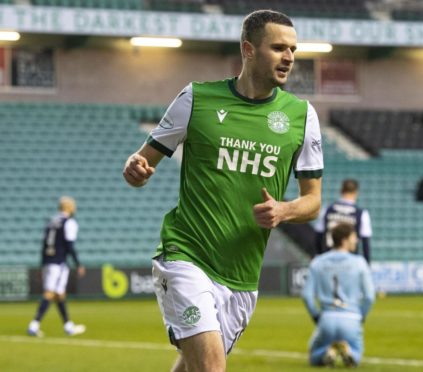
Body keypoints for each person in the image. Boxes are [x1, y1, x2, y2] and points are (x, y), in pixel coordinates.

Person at [122, 10, 324, 372]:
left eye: (293, 49)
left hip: (242, 277)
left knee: (192, 366)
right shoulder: (196, 99)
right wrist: (136, 169)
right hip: (186, 255)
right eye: (278, 48)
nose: (290, 57)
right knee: (212, 367)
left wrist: (284, 210)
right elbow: (142, 162)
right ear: (248, 49)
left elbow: (313, 200)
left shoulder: (302, 116)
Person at [302, 223, 375, 367]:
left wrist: (316, 316)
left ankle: (326, 353)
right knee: (357, 352)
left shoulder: (318, 262)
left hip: (327, 318)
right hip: (351, 318)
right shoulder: (359, 263)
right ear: (344, 240)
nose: (356, 240)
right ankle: (351, 353)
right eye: (353, 237)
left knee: (313, 355)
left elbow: (306, 295)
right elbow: (369, 296)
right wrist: (361, 316)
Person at [27, 196, 86, 337]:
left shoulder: (50, 222)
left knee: (60, 294)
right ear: (69, 207)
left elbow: (44, 245)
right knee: (50, 293)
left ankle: (68, 326)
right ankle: (34, 325)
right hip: (58, 263)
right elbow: (69, 245)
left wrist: (42, 265)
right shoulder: (69, 222)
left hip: (48, 261)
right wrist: (78, 264)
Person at [315, 179, 372, 263]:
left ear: (341, 191)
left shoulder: (327, 209)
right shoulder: (361, 213)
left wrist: (320, 256)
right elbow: (365, 243)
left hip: (328, 259)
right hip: (350, 261)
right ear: (356, 192)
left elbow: (318, 236)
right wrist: (367, 264)